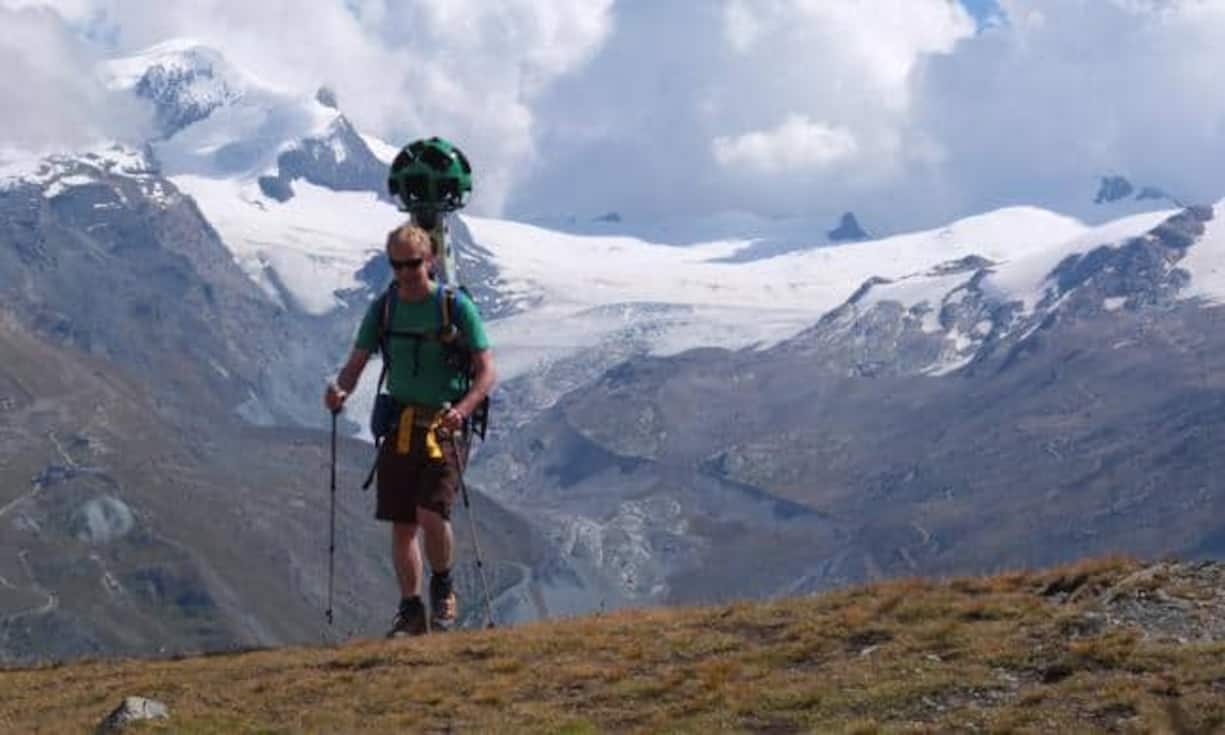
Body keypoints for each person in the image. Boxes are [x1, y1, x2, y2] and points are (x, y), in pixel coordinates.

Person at [324, 223, 495, 636]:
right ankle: (411, 609)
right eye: (396, 265)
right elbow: (356, 363)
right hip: (400, 423)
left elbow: (487, 370)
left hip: (444, 424)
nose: (404, 273)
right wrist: (339, 389)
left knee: (430, 512)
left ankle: (444, 585)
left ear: (430, 260)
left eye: (412, 264)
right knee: (403, 525)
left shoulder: (454, 307)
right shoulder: (384, 308)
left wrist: (464, 408)